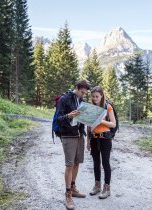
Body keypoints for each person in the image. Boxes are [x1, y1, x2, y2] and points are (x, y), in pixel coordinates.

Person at [56, 79, 90, 210]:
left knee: (76, 163)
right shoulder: (64, 99)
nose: (83, 94)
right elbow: (58, 118)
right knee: (69, 165)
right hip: (68, 135)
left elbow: (83, 118)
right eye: (82, 92)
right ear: (77, 87)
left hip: (79, 135)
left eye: (85, 93)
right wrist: (69, 115)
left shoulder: (82, 101)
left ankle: (73, 187)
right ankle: (68, 194)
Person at [86, 86, 116, 199]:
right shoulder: (91, 108)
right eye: (93, 96)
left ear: (102, 96)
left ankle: (107, 188)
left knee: (105, 163)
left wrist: (102, 121)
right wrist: (87, 141)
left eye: (97, 96)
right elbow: (88, 126)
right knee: (96, 163)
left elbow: (113, 124)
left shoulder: (108, 107)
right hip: (94, 138)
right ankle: (97, 186)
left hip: (105, 139)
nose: (95, 98)